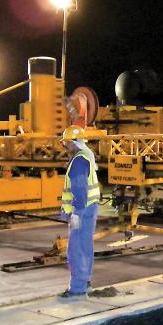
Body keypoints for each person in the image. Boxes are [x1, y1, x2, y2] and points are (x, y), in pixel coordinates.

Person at [59, 125, 100, 299]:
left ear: (72, 143)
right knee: (85, 246)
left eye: (66, 143)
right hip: (90, 207)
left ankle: (77, 288)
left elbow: (80, 189)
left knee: (75, 249)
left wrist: (75, 213)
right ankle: (86, 282)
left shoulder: (78, 161)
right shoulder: (86, 156)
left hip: (81, 210)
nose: (64, 147)